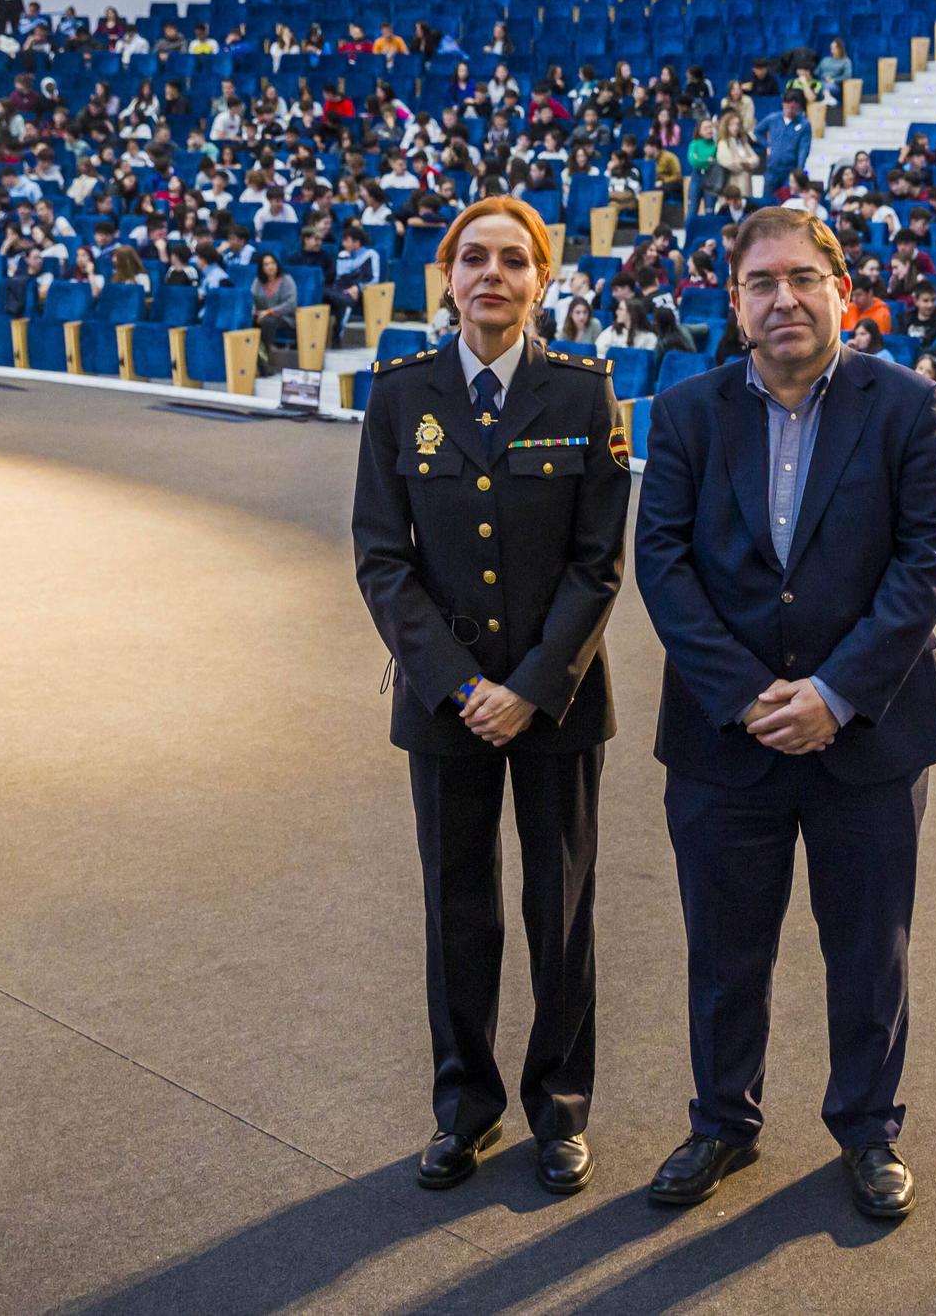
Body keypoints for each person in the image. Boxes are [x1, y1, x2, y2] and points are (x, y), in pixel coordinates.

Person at [634, 206, 936, 1220]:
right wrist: (744, 697)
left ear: (839, 290)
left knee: (868, 950)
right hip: (721, 740)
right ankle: (720, 1123)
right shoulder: (686, 413)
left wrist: (832, 694)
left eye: (802, 279)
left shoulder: (906, 406)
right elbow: (662, 564)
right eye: (761, 283)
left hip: (867, 734)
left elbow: (925, 563)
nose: (783, 299)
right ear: (734, 306)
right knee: (724, 948)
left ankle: (867, 1130)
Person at [350, 197, 630, 1196]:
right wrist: (461, 685)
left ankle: (559, 1108)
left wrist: (526, 689)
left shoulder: (583, 394)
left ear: (540, 281)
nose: (492, 275)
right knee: (454, 909)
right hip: (445, 702)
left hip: (554, 700)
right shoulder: (400, 396)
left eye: (514, 260)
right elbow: (383, 561)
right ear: (447, 276)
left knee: (561, 910)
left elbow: (598, 568)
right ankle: (463, 1107)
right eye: (473, 258)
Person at [249, 253, 298, 376]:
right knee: (247, 323)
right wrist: (255, 312)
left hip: (284, 317)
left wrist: (269, 311)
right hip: (261, 316)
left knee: (267, 323)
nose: (271, 267)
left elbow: (291, 304)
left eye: (273, 263)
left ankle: (265, 366)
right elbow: (251, 300)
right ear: (262, 268)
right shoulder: (258, 281)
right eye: (266, 264)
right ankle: (254, 364)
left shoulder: (287, 280)